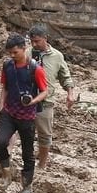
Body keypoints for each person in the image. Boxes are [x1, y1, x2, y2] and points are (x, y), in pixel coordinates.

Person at [0, 34, 48, 193]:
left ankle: (27, 187)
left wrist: (33, 101)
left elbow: (45, 91)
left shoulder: (35, 69)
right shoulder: (7, 66)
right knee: (0, 144)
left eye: (15, 52)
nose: (12, 56)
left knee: (27, 153)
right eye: (10, 53)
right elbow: (4, 87)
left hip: (27, 117)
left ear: (24, 49)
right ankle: (7, 174)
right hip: (9, 113)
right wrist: (1, 105)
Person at [27, 25, 76, 173]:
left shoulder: (57, 56)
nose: (34, 44)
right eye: (32, 41)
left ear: (45, 38)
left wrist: (70, 93)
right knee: (20, 132)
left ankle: (41, 165)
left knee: (44, 135)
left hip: (46, 101)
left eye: (37, 41)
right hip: (26, 100)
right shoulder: (26, 53)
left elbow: (65, 77)